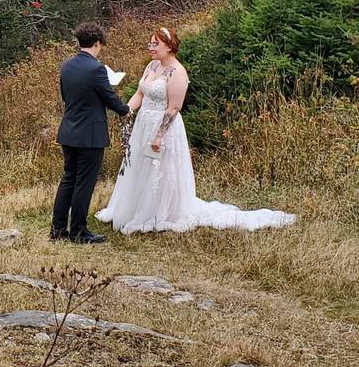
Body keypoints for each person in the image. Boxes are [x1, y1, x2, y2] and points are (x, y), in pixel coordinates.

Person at [96, 27, 296, 234]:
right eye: (150, 43)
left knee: (160, 169)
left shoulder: (178, 72)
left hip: (162, 127)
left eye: (155, 44)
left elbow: (174, 108)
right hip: (143, 123)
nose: (151, 48)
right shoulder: (152, 65)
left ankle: (160, 212)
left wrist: (159, 135)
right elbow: (140, 93)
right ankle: (133, 208)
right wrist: (127, 110)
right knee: (138, 165)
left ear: (169, 46)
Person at [51, 23, 130, 244]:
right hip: (90, 134)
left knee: (68, 179)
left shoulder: (66, 66)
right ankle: (78, 231)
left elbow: (66, 96)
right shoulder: (97, 69)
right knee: (84, 183)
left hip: (69, 130)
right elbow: (109, 98)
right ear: (97, 43)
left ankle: (57, 230)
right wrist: (125, 109)